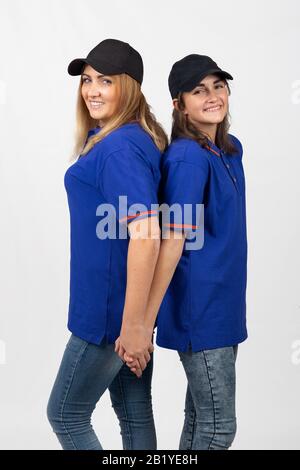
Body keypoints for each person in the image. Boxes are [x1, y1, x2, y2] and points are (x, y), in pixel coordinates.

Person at [47, 38, 168, 450]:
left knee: (65, 414)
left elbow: (147, 234)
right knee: (134, 413)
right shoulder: (124, 136)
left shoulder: (117, 149)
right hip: (122, 309)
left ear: (128, 87)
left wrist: (133, 327)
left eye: (105, 81)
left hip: (108, 315)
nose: (92, 90)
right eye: (86, 80)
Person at [126, 54, 248, 450]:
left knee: (200, 421)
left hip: (225, 307)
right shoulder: (187, 158)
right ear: (179, 105)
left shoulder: (229, 151)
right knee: (218, 428)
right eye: (199, 91)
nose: (212, 96)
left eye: (218, 86)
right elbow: (171, 240)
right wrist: (144, 322)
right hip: (202, 311)